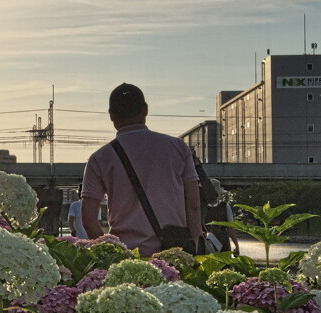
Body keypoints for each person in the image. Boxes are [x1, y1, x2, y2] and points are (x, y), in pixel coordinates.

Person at [81, 83, 202, 255]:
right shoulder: (178, 148)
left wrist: (111, 255)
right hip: (173, 253)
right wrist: (192, 246)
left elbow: (89, 220)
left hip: (127, 256)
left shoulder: (99, 158)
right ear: (145, 110)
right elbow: (194, 205)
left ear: (111, 115)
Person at [204, 178, 239, 254]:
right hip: (207, 241)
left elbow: (230, 227)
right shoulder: (203, 207)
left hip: (223, 241)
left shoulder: (225, 206)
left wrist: (236, 245)